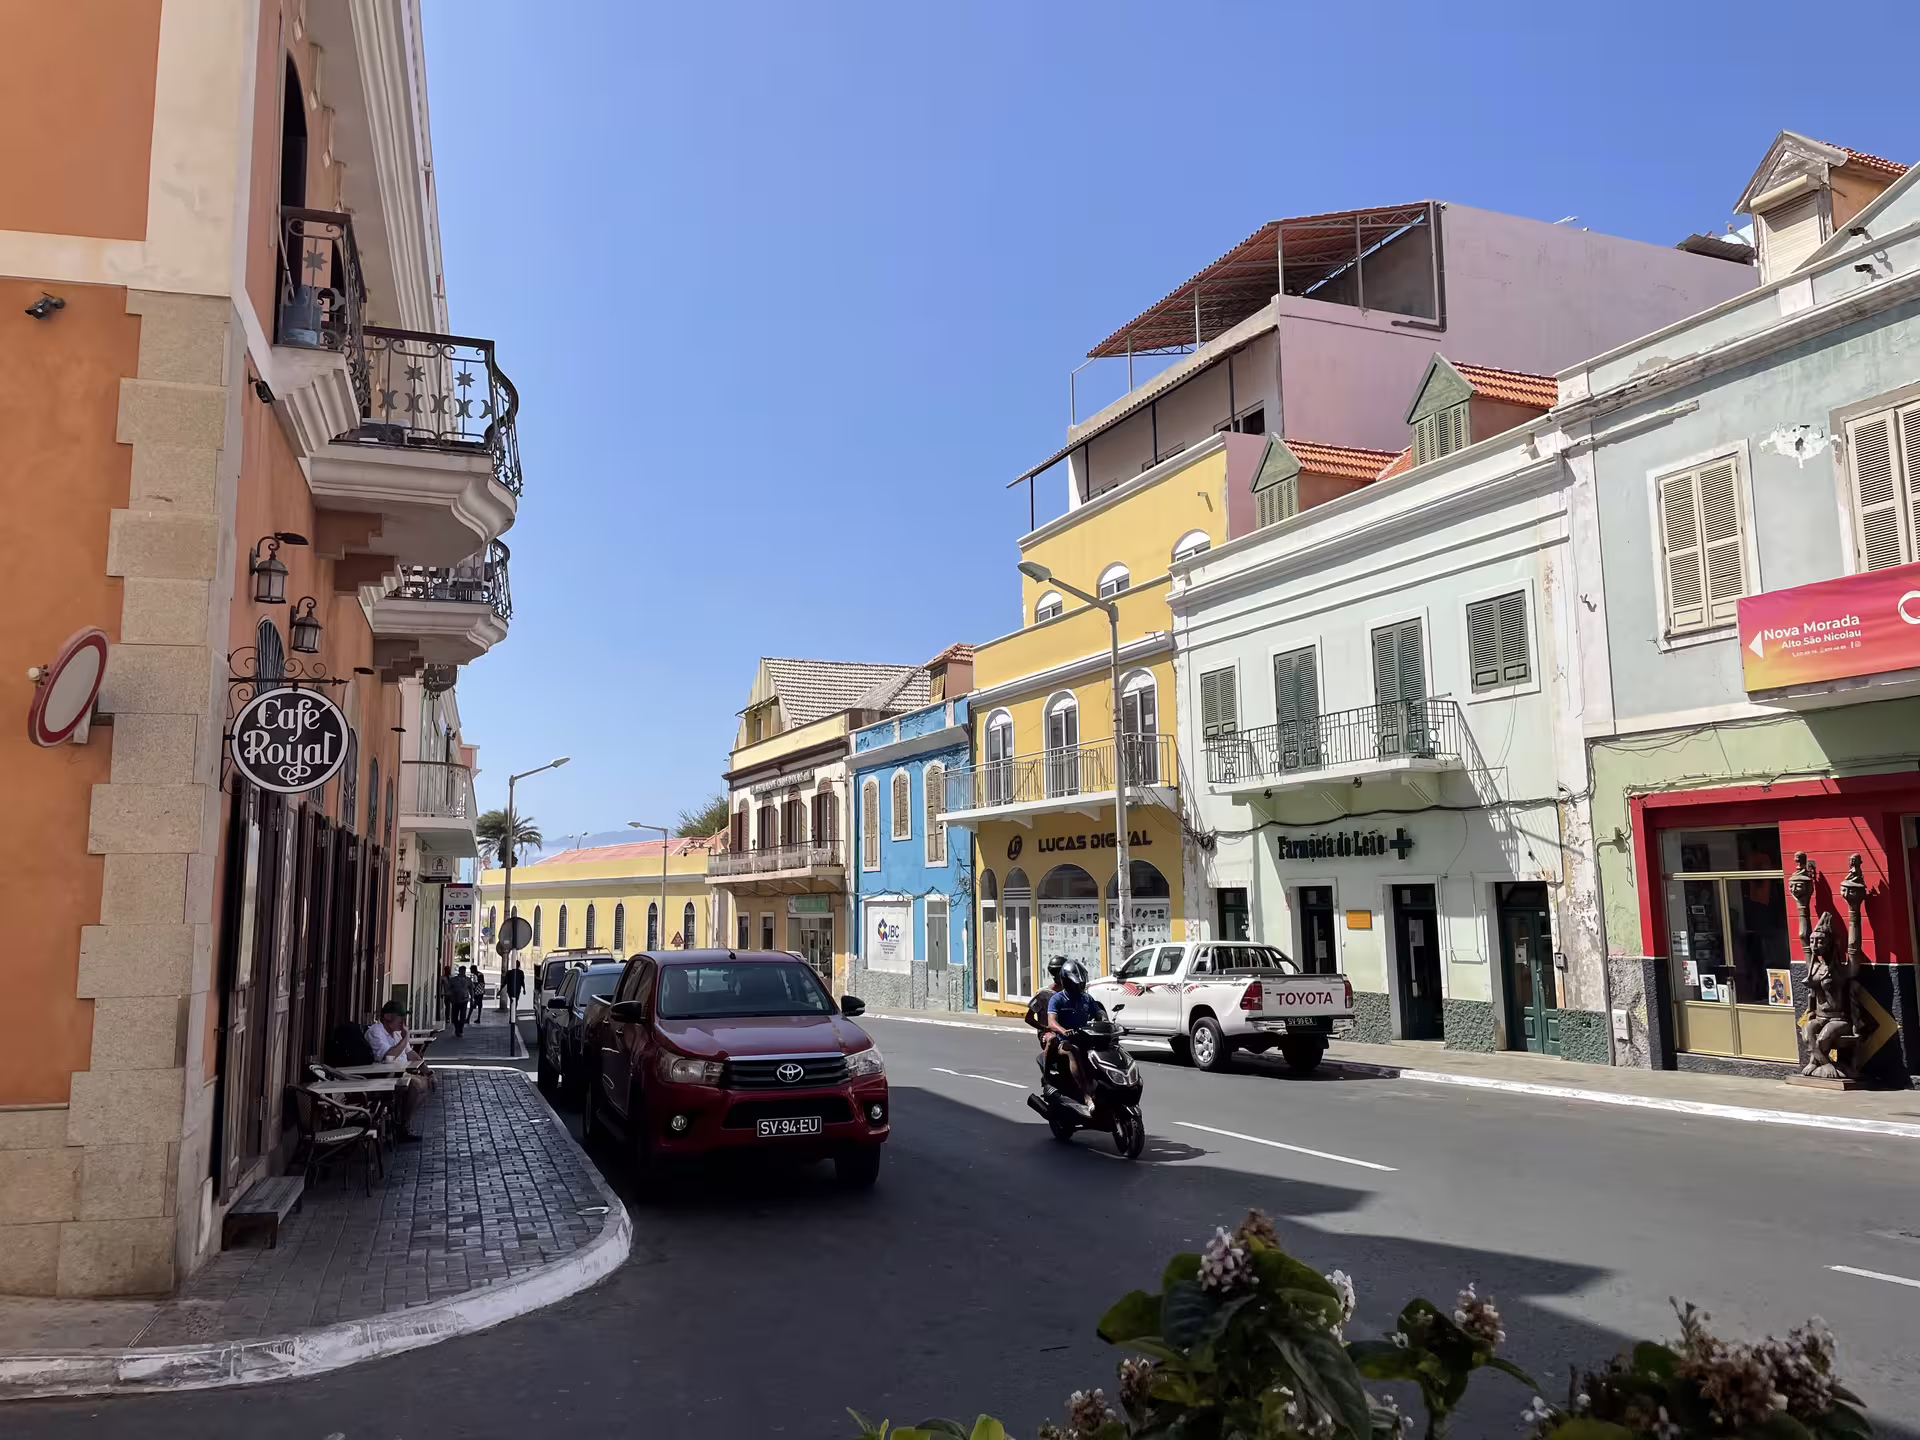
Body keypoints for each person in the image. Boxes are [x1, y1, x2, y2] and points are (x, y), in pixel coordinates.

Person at [365, 1001, 430, 1142]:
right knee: (416, 1085)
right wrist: (406, 1036)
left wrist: (429, 1072)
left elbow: (411, 1053)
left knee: (425, 1083)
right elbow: (388, 1057)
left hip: (400, 1073)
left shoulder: (395, 1033)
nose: (403, 1022)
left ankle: (403, 1124)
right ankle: (402, 1128)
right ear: (388, 1017)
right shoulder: (376, 1032)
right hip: (385, 1076)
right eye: (400, 1017)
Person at [1044, 960, 1106, 1104]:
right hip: (1064, 1042)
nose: (1078, 986)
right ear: (1066, 982)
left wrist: (1104, 1019)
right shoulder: (1057, 999)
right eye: (1075, 983)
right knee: (1074, 1051)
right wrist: (1063, 1031)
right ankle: (1086, 1095)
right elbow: (1051, 1022)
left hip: (1085, 1038)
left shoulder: (1087, 999)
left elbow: (1099, 1013)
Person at [447, 969, 470, 1038]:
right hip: (455, 1000)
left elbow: (471, 989)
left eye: (464, 971)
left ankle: (460, 1030)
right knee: (454, 1016)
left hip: (464, 1000)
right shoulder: (453, 980)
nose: (463, 972)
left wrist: (472, 999)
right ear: (459, 971)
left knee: (463, 1016)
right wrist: (449, 997)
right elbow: (449, 989)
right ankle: (457, 1028)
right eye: (462, 971)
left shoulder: (468, 980)